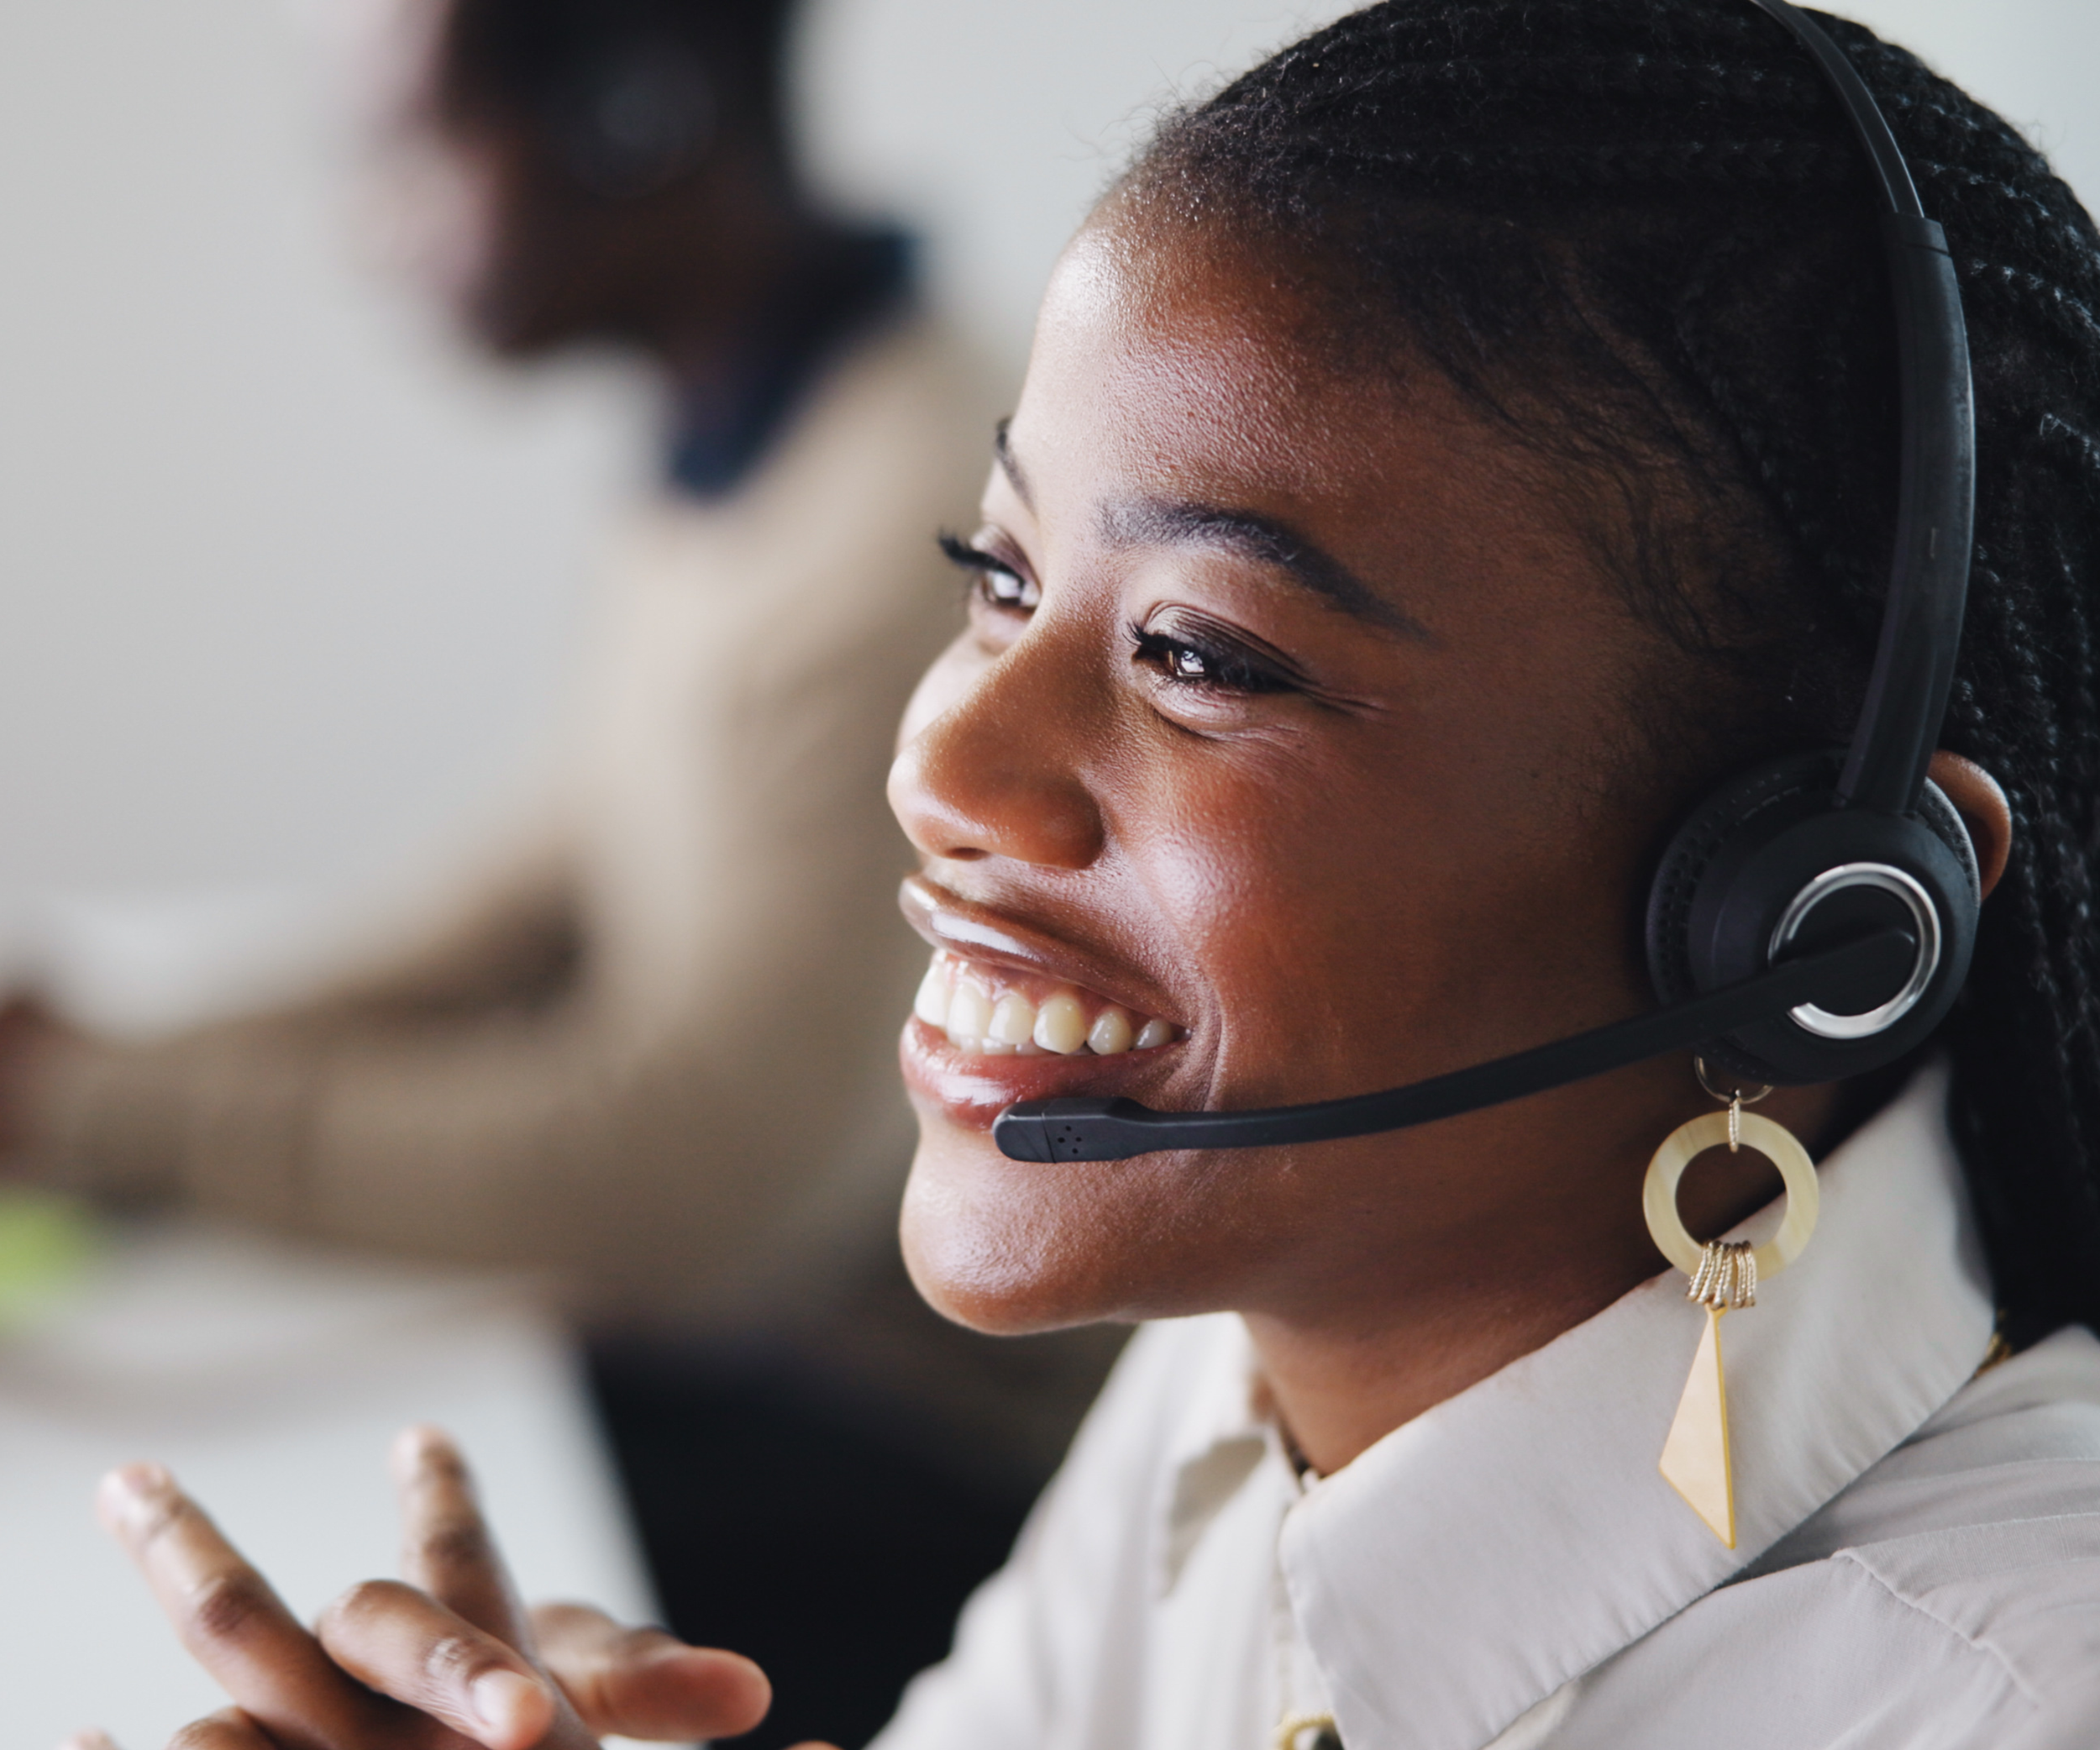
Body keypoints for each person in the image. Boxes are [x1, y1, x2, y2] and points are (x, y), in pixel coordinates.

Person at [62, 1, 2100, 1745]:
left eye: (1200, 655)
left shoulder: (1987, 1698)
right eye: (1001, 579)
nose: (935, 758)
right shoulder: (1240, 1375)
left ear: (1812, 924)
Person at [0, 1, 1121, 1743]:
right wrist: (97, 1067)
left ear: (632, 113)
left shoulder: (898, 525)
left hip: (921, 1449)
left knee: (224, 1612)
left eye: (410, 148)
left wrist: (92, 1117)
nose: (372, 225)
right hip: (742, 1360)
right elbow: (522, 911)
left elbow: (686, 1169)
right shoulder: (743, 452)